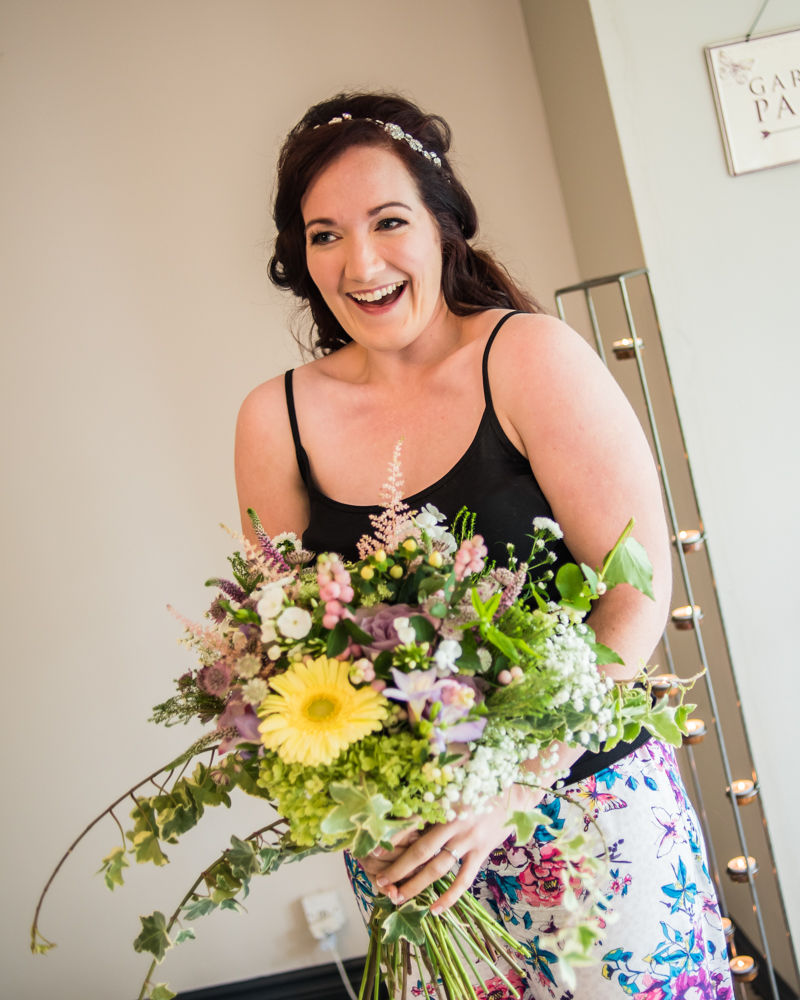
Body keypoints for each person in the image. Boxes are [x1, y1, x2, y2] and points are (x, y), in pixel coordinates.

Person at [235, 92, 732, 1000]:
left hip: (588, 824)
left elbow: (634, 595)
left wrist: (504, 791)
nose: (362, 263)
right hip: (415, 861)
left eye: (390, 222)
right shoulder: (277, 419)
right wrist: (358, 797)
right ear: (299, 258)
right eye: (325, 235)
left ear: (444, 226)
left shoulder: (529, 357)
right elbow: (286, 646)